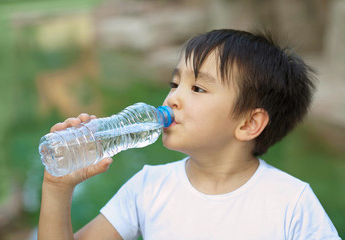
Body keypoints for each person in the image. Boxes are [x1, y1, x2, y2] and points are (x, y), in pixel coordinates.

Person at [38, 29, 341, 240]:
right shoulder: (148, 188)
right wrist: (56, 187)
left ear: (249, 124)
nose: (172, 99)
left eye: (197, 88)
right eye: (174, 84)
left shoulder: (291, 202)